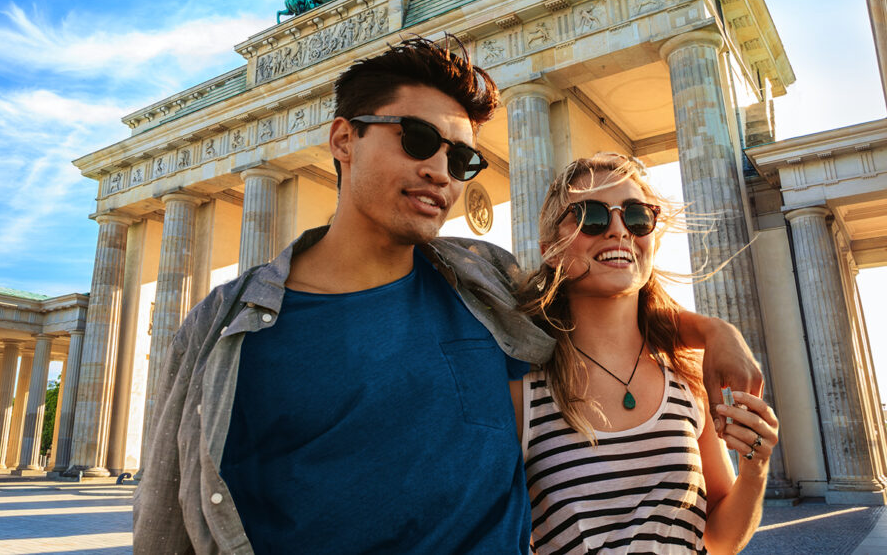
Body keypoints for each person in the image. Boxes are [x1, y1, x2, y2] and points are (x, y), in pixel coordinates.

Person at [133, 38, 762, 554]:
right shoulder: (224, 331)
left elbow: (602, 296)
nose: (440, 170)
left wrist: (714, 334)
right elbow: (166, 520)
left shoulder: (486, 289)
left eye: (461, 159)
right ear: (343, 140)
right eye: (415, 139)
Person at [517, 154, 779, 554]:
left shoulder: (686, 377)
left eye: (637, 216)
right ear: (551, 249)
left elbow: (722, 539)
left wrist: (757, 466)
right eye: (592, 216)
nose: (619, 230)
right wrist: (713, 329)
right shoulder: (524, 388)